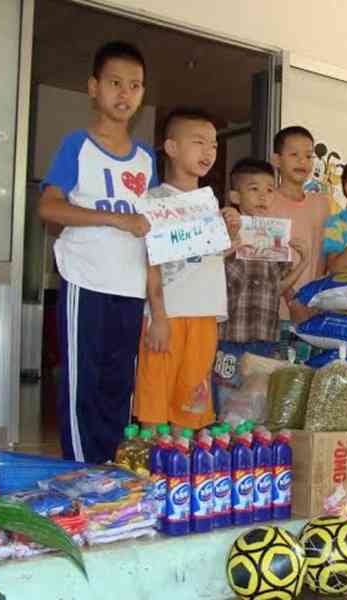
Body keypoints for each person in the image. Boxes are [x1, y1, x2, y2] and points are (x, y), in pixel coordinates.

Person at [38, 41, 156, 463]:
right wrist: (114, 219)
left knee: (118, 385)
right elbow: (48, 207)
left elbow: (154, 229)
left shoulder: (146, 159)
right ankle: (79, 473)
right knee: (80, 384)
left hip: (130, 287)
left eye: (136, 86)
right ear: (93, 87)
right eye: (115, 83)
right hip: (84, 280)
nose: (125, 94)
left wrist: (157, 309)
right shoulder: (77, 145)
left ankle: (110, 470)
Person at [133, 109, 240, 432]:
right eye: (198, 142)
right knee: (154, 403)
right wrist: (159, 316)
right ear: (171, 147)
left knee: (191, 406)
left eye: (213, 145)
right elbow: (151, 260)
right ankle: (152, 474)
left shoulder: (209, 203)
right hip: (168, 315)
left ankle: (181, 473)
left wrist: (231, 234)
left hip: (205, 314)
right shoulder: (153, 200)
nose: (208, 151)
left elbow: (210, 257)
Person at [213, 158, 309, 414]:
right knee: (225, 403)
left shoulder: (276, 238)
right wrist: (227, 242)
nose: (263, 196)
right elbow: (206, 277)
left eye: (269, 190)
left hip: (266, 337)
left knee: (257, 406)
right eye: (254, 189)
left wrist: (303, 262)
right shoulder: (221, 230)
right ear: (235, 195)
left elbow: (276, 289)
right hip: (229, 338)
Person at [269, 126, 330, 322]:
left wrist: (315, 297)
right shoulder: (267, 201)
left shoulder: (322, 202)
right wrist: (293, 301)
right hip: (275, 308)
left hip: (313, 306)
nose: (302, 161)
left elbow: (322, 255)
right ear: (276, 160)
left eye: (308, 156)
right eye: (294, 154)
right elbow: (270, 259)